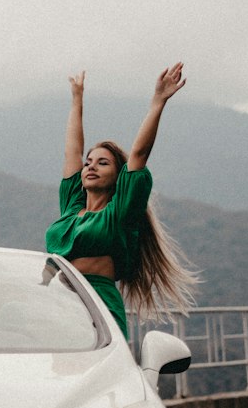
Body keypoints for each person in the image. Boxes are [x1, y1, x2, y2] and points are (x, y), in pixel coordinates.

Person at [45, 63, 197, 340]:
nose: (90, 167)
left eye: (102, 163)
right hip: (59, 301)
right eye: (89, 163)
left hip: (98, 304)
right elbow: (73, 151)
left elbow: (139, 154)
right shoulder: (71, 208)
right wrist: (77, 99)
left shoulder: (120, 214)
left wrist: (158, 102)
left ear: (118, 178)